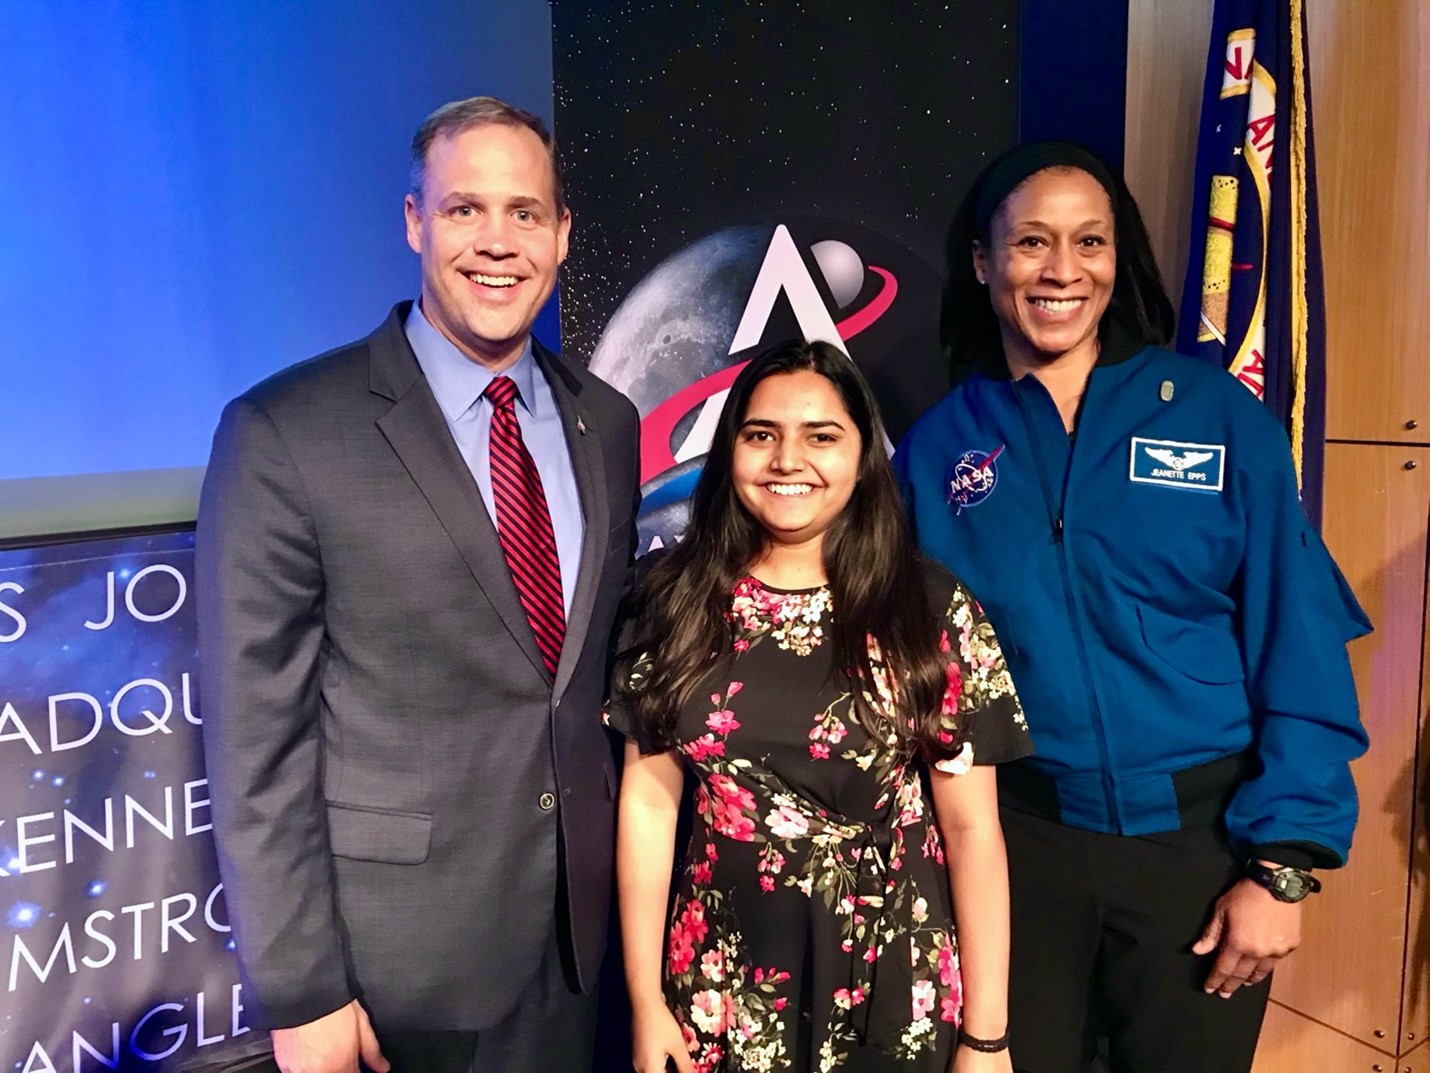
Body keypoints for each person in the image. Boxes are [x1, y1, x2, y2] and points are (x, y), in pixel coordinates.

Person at [895, 141, 1371, 1073]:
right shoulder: (936, 450)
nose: (1062, 270)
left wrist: (1282, 866)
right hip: (1019, 852)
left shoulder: (1217, 419)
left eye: (1090, 241)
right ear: (986, 263)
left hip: (1199, 849)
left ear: (1121, 258)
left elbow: (1300, 638)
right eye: (1031, 242)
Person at [196, 96, 639, 1073]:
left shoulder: (605, 422)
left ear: (562, 233)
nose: (496, 241)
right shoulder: (286, 431)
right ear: (412, 222)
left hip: (572, 947)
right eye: (461, 209)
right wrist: (304, 988)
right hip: (395, 969)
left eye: (524, 211)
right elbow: (254, 741)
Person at [606, 339, 1032, 1073]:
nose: (786, 460)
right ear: (730, 447)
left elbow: (971, 832)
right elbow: (648, 805)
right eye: (761, 434)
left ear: (863, 453)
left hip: (892, 977)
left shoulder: (930, 609)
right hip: (722, 981)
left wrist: (986, 1037)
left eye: (820, 436)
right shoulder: (669, 601)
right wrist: (647, 1001)